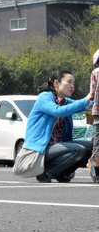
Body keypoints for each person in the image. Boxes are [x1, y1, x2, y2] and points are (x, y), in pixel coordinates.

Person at [24, 70, 92, 183]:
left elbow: (87, 105)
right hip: (41, 149)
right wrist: (86, 99)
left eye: (73, 83)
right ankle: (46, 171)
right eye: (69, 82)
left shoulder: (65, 101)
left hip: (57, 148)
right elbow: (58, 111)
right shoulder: (44, 97)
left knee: (91, 146)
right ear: (56, 83)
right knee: (78, 149)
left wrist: (94, 98)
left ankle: (62, 173)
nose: (72, 86)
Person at [88, 49, 99, 182]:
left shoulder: (95, 73)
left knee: (98, 144)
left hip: (98, 113)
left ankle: (98, 173)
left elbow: (91, 93)